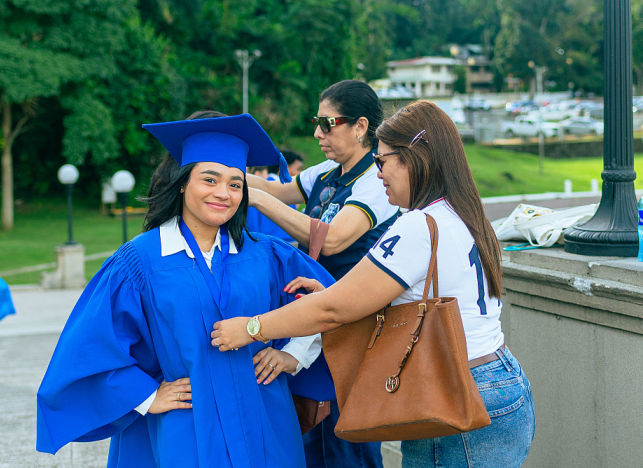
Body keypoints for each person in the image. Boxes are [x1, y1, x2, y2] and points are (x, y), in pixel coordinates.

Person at [211, 101, 536, 468]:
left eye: (381, 161)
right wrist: (334, 295)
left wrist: (251, 328)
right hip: (499, 380)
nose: (378, 173)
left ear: (412, 159)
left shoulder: (417, 226)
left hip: (455, 394)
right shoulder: (461, 213)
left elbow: (333, 310)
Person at [36, 113, 335, 468]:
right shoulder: (140, 261)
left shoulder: (267, 254)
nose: (223, 193)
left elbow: (330, 304)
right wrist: (147, 396)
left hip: (265, 418)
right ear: (182, 183)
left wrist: (295, 353)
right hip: (185, 425)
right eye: (209, 179)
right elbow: (92, 344)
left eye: (235, 184)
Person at [246, 79, 397, 468]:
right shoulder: (328, 172)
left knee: (349, 448)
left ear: (360, 126)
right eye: (317, 123)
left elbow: (331, 239)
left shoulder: (376, 179)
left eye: (327, 123)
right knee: (314, 444)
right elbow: (278, 192)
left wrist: (257, 198)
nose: (318, 133)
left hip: (354, 330)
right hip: (317, 322)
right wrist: (224, 174)